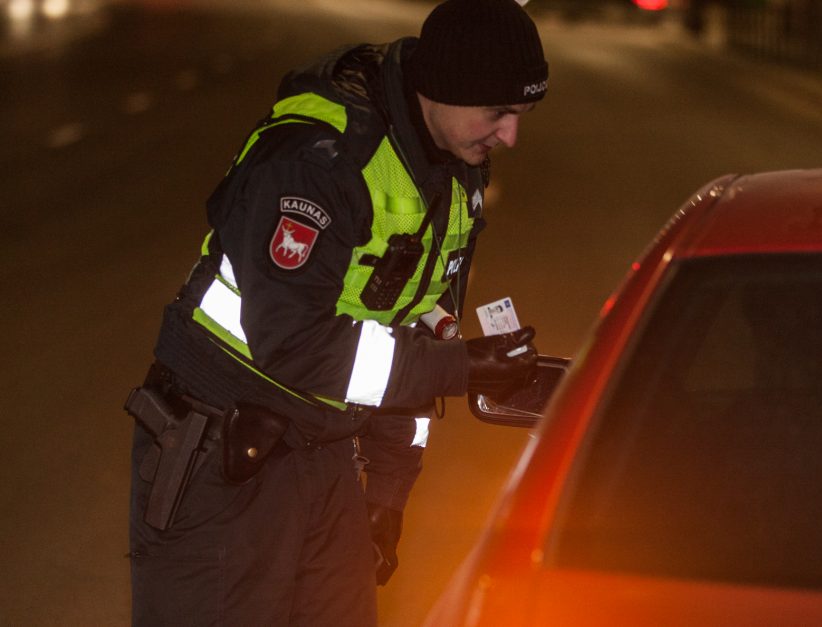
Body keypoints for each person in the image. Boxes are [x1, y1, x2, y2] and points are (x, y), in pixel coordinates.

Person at [124, 0, 548, 624]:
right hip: (222, 455)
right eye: (500, 113)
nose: (511, 135)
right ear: (443, 89)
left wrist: (390, 489)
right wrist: (457, 368)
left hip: (327, 458)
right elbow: (297, 345)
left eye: (522, 114)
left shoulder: (456, 167)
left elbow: (401, 326)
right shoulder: (317, 159)